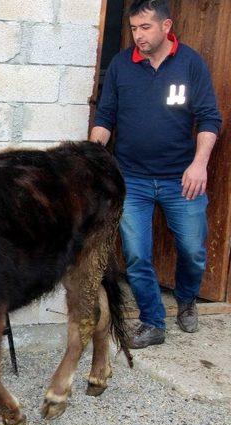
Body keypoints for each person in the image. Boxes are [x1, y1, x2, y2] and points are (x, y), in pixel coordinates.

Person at [90, 0, 222, 349]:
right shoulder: (121, 64)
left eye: (145, 28)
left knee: (193, 250)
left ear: (166, 27)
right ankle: (152, 321)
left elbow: (210, 118)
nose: (137, 36)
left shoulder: (191, 63)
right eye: (133, 28)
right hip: (131, 179)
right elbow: (105, 117)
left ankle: (188, 297)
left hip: (181, 179)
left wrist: (199, 164)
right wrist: (92, 153)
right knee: (136, 255)